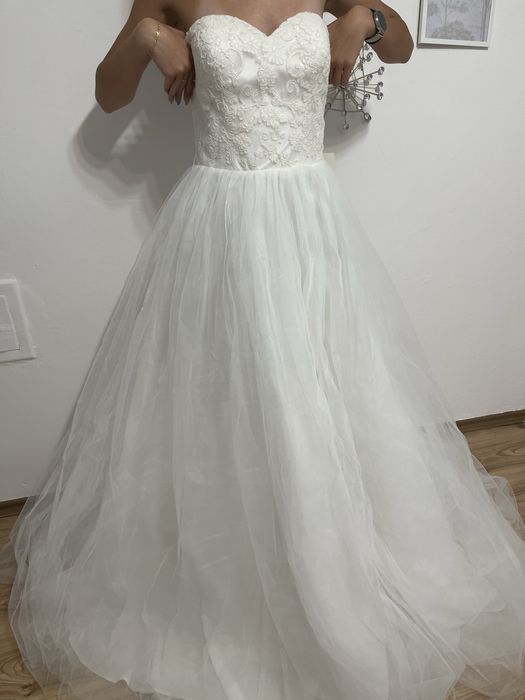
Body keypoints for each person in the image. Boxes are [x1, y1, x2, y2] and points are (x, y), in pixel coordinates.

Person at [2, 2, 525, 700]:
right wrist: (149, 35)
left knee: (332, 381)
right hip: (222, 219)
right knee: (229, 396)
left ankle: (340, 550)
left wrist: (362, 19)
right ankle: (243, 566)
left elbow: (399, 46)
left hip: (311, 218)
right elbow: (110, 95)